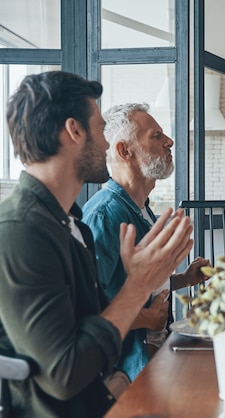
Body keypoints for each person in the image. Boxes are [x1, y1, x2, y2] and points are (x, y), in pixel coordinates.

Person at [0, 71, 194, 418]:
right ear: (75, 131)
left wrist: (119, 380)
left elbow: (97, 319)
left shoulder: (70, 222)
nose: (107, 145)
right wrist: (138, 285)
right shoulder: (21, 230)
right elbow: (65, 375)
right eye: (100, 128)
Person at [82, 103, 210, 381]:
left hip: (156, 353)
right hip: (126, 372)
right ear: (124, 151)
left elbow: (135, 283)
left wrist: (183, 279)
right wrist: (145, 319)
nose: (170, 141)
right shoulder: (104, 216)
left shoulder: (141, 208)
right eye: (156, 136)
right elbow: (88, 308)